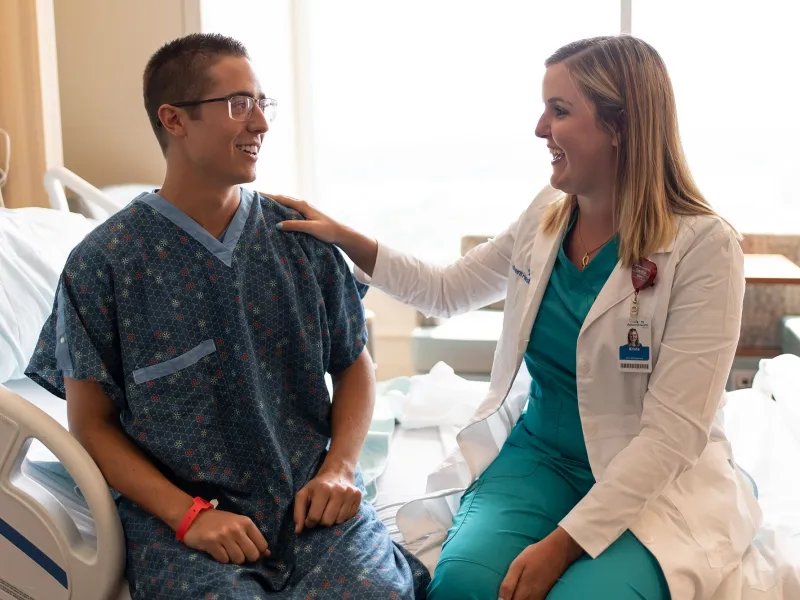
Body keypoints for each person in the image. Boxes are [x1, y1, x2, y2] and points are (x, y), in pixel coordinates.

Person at [270, 36, 761, 600]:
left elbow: (672, 436)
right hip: (542, 456)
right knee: (461, 587)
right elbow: (445, 290)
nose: (539, 128)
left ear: (619, 125)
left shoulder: (704, 247)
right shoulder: (546, 217)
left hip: (651, 482)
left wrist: (562, 545)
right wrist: (344, 237)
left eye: (559, 110)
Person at [26, 33, 429, 600]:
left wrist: (339, 468)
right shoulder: (104, 264)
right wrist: (188, 516)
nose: (261, 124)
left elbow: (353, 363)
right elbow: (91, 424)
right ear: (174, 120)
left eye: (263, 104)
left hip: (310, 499)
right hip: (186, 520)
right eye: (240, 105)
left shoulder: (300, 240)